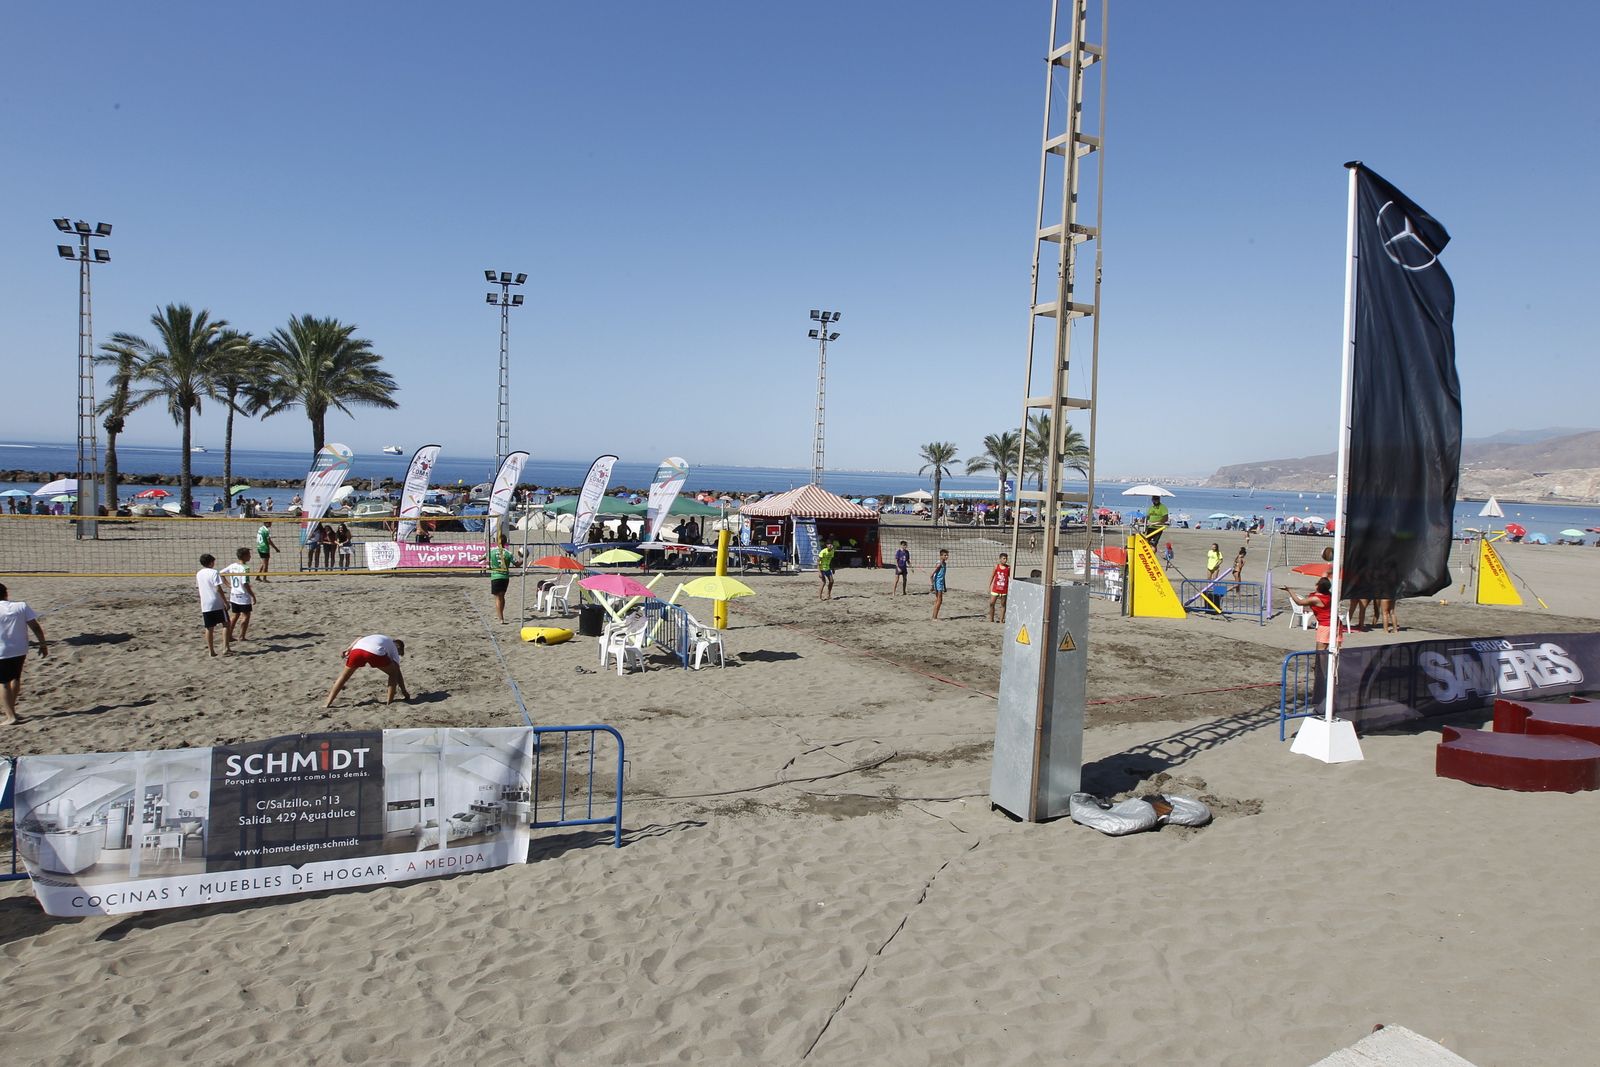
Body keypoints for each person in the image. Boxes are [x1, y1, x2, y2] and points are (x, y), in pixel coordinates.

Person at [0, 583, 48, 726]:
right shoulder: (21, 606)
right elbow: (36, 627)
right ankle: (12, 711)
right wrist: (43, 644)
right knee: (15, 678)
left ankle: (10, 716)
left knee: (3, 684)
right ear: (6, 594)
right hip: (20, 649)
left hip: (3, 651)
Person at [325, 635, 410, 707]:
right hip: (374, 652)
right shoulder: (393, 648)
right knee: (393, 673)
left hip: (357, 650)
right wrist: (404, 691)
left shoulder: (379, 637)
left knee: (344, 676)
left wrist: (348, 649)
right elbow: (398, 672)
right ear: (399, 648)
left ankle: (327, 703)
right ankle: (389, 702)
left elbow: (360, 637)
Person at [195, 553, 232, 657]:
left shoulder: (199, 573)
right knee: (226, 623)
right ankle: (225, 648)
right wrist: (225, 601)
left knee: (209, 628)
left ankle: (211, 651)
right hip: (216, 603)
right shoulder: (214, 572)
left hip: (205, 604)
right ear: (211, 562)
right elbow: (218, 588)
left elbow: (199, 588)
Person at [220, 547, 258, 640]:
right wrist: (253, 595)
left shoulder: (232, 565)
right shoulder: (245, 568)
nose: (250, 556)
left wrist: (229, 585)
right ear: (244, 556)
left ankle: (229, 635)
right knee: (246, 616)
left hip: (234, 595)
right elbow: (245, 584)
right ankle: (242, 636)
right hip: (243, 596)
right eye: (249, 554)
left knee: (235, 615)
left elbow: (221, 573)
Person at [486, 536, 520, 624]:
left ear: (497, 541)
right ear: (505, 542)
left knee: (497, 597)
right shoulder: (508, 553)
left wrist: (488, 562)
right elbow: (517, 564)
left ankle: (501, 618)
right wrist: (523, 559)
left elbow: (481, 559)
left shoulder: (491, 551)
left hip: (496, 576)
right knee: (502, 596)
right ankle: (500, 614)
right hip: (505, 577)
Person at [988, 552, 1011, 624]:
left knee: (1003, 605)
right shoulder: (996, 567)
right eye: (1004, 558)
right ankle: (991, 619)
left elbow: (1010, 578)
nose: (1005, 560)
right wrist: (989, 586)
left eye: (1006, 558)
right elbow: (992, 576)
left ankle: (1001, 620)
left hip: (1004, 589)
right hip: (996, 588)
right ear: (1000, 559)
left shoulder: (1008, 568)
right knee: (991, 603)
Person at [930, 548, 949, 620]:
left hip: (940, 583)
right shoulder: (939, 564)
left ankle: (934, 616)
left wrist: (945, 586)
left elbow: (943, 576)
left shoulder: (944, 564)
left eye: (947, 555)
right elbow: (932, 575)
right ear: (941, 556)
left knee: (938, 600)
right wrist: (932, 585)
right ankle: (934, 617)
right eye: (945, 555)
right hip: (937, 583)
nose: (946, 556)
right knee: (939, 600)